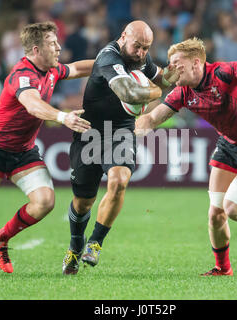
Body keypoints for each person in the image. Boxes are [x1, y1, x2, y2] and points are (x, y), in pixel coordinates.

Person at [0, 21, 94, 277]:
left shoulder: (51, 70)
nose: (59, 47)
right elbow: (33, 105)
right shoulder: (21, 75)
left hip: (23, 151)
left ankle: (1, 238)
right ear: (36, 49)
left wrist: (115, 63)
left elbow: (78, 68)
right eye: (52, 43)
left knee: (45, 201)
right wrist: (63, 117)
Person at [136, 37, 237, 276]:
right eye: (170, 63)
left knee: (232, 207)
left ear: (196, 63)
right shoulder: (183, 92)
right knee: (215, 213)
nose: (171, 68)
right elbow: (153, 119)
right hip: (228, 145)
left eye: (177, 63)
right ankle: (222, 268)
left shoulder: (219, 73)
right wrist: (130, 133)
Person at [62, 20, 181, 275]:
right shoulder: (108, 57)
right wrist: (155, 92)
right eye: (137, 46)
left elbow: (164, 78)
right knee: (83, 202)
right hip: (89, 132)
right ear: (123, 36)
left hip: (120, 132)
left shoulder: (141, 59)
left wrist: (175, 72)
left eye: (146, 48)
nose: (141, 53)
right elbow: (128, 93)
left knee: (119, 180)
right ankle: (75, 245)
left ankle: (95, 242)